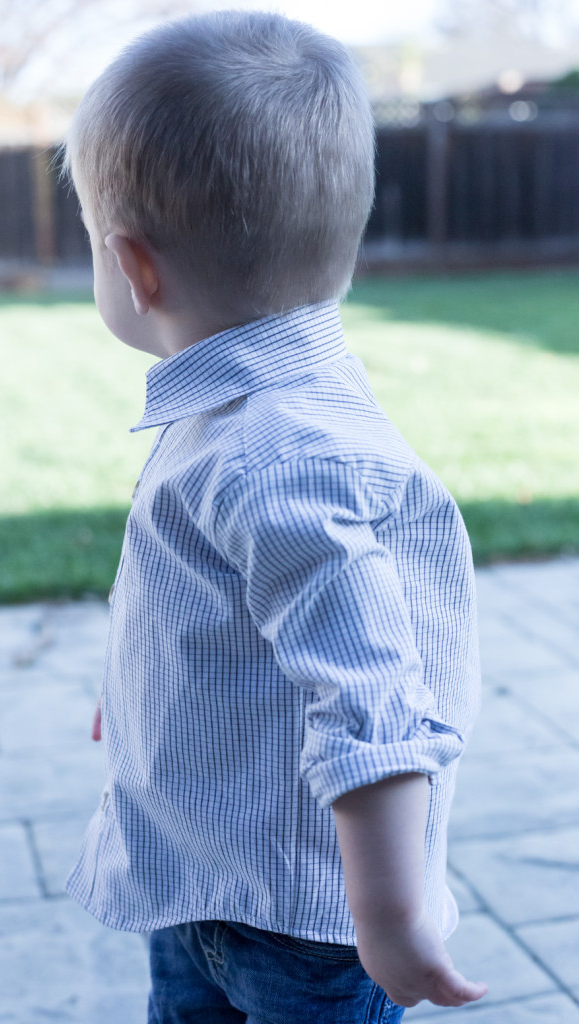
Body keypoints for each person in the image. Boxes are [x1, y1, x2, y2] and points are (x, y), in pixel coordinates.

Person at [63, 10, 488, 1021]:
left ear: (134, 268)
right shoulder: (241, 404)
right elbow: (225, 592)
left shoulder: (283, 454)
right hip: (200, 876)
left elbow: (373, 699)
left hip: (307, 926)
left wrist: (385, 915)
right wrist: (146, 676)